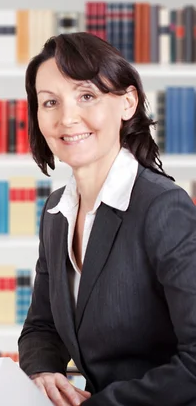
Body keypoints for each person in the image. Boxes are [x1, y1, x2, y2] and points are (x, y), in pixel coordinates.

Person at [18, 32, 196, 406]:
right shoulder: (57, 213)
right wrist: (44, 374)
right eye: (50, 102)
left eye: (87, 96)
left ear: (127, 102)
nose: (67, 118)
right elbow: (41, 328)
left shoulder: (163, 208)